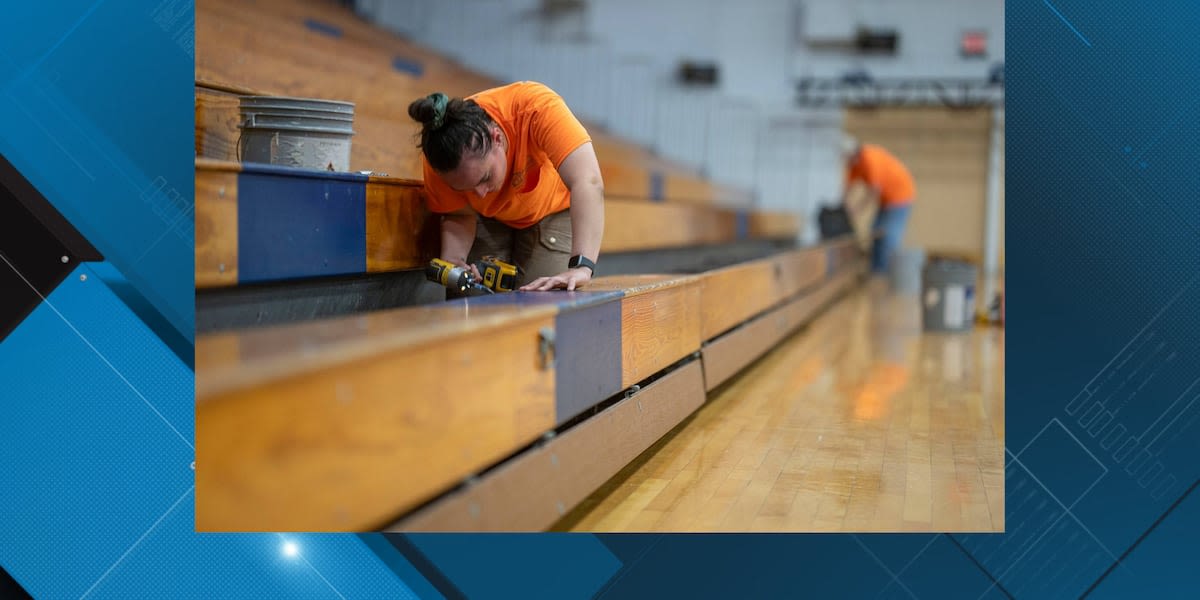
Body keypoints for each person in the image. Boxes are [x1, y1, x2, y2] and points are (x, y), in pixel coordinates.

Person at [407, 81, 604, 294]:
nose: (480, 193)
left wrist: (582, 267)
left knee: (545, 301)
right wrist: (455, 260)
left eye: (485, 177)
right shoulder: (441, 158)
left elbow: (588, 180)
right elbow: (460, 214)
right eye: (466, 189)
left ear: (497, 138)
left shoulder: (536, 106)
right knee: (469, 298)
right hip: (488, 218)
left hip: (551, 210)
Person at [840, 136, 916, 274]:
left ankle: (886, 275)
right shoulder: (853, 165)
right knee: (874, 232)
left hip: (901, 197)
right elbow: (847, 190)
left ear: (851, 153)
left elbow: (873, 191)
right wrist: (843, 208)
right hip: (885, 201)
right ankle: (875, 273)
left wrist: (856, 210)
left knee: (887, 236)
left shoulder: (870, 158)